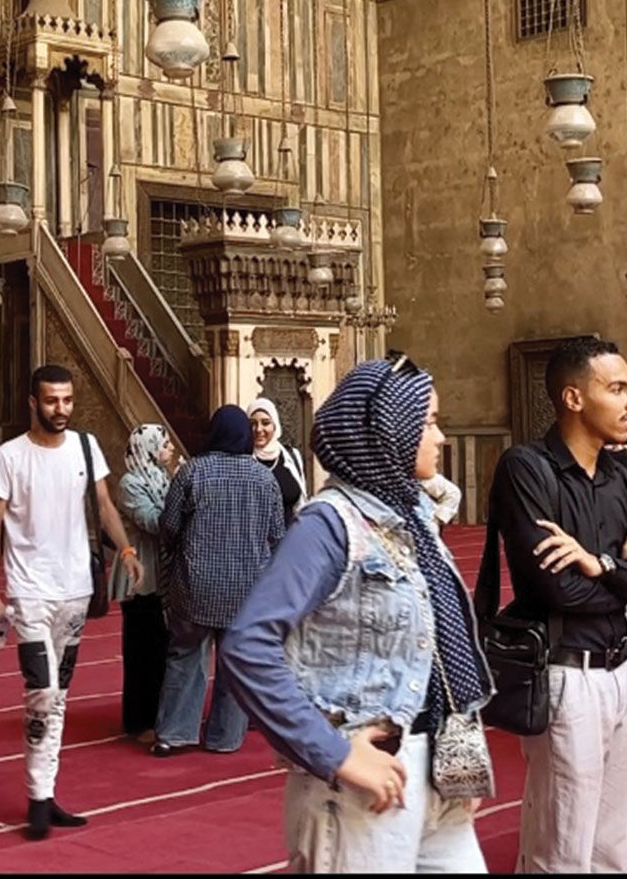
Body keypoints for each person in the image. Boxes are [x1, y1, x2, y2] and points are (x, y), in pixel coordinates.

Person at [221, 355, 495, 871]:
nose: (441, 438)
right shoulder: (329, 526)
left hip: (434, 776)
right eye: (429, 422)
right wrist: (334, 752)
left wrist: (458, 764)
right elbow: (247, 645)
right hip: (360, 787)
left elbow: (439, 647)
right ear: (391, 429)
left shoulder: (412, 518)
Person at [482, 335, 627, 873]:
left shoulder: (618, 476)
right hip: (567, 676)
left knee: (615, 842)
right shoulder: (528, 469)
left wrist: (602, 565)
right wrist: (625, 577)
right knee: (562, 844)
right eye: (618, 389)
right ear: (573, 399)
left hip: (620, 670)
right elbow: (556, 589)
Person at [0, 364, 144, 839]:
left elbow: (106, 506)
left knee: (60, 697)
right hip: (29, 592)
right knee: (41, 692)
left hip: (75, 590)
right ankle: (36, 795)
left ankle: (45, 795)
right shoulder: (10, 457)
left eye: (67, 400)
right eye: (52, 401)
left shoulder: (86, 448)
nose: (61, 409)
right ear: (33, 402)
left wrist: (126, 549)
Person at [155, 406, 286, 757]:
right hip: (247, 590)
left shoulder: (192, 472)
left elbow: (168, 527)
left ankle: (175, 733)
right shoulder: (264, 479)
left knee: (185, 657)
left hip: (195, 586)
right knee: (235, 664)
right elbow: (277, 535)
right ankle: (225, 737)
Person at [116, 423, 178, 743]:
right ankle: (138, 722)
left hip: (163, 571)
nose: (169, 449)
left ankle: (159, 716)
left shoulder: (160, 478)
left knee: (161, 649)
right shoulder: (130, 483)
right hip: (141, 573)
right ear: (150, 447)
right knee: (141, 650)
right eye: (164, 444)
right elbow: (154, 522)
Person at [249, 396, 309, 520]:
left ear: (275, 425)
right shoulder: (243, 460)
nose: (259, 429)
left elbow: (300, 504)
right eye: (252, 424)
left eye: (265, 423)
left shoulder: (291, 457)